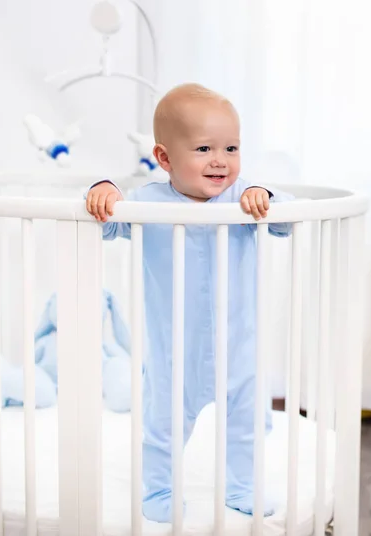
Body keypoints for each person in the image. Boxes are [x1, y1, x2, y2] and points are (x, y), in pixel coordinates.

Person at [85, 83, 293, 522]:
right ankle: (159, 489)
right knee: (162, 425)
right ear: (164, 158)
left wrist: (268, 198)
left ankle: (242, 487)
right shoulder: (145, 203)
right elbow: (103, 225)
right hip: (172, 351)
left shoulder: (243, 200)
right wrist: (103, 191)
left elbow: (287, 219)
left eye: (231, 148)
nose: (221, 160)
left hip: (239, 348)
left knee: (249, 423)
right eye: (204, 148)